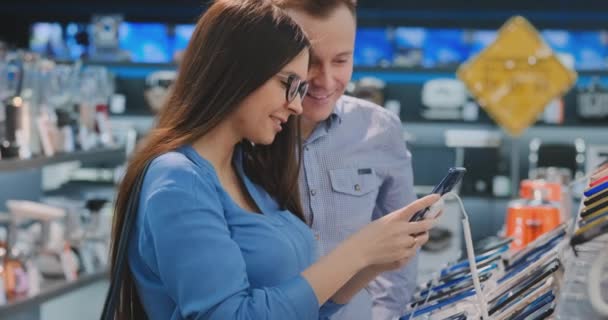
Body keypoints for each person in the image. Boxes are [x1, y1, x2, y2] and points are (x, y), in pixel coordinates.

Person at [108, 0, 439, 319]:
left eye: (340, 61)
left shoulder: (245, 171)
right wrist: (357, 253)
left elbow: (297, 305)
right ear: (237, 72)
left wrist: (372, 263)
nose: (296, 105)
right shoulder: (177, 180)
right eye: (288, 83)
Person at [274, 1, 420, 319]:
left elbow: (400, 255)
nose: (326, 81)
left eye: (341, 60)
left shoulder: (380, 129)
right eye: (310, 61)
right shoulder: (247, 137)